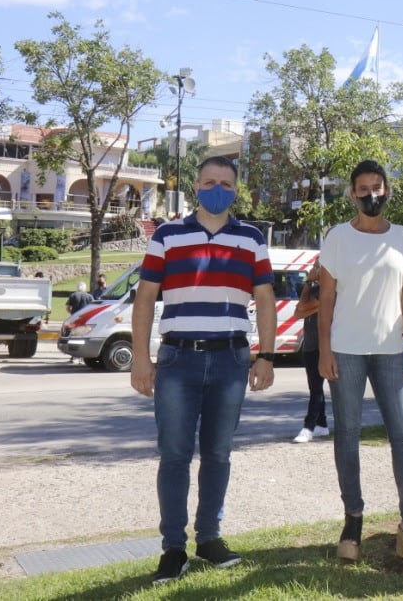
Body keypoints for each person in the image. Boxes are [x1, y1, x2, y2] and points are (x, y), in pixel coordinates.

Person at [130, 156, 278, 584]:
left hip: (232, 359)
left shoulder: (251, 238)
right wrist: (141, 358)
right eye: (210, 182)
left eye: (226, 183)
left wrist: (265, 356)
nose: (218, 188)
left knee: (218, 454)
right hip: (178, 359)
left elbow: (265, 300)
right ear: (196, 186)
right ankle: (173, 549)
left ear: (236, 189)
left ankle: (209, 538)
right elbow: (145, 298)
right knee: (174, 456)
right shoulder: (167, 235)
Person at [318, 159, 403, 570]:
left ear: (386, 191)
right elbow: (326, 297)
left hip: (390, 351)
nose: (371, 195)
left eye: (377, 187)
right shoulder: (337, 237)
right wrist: (324, 350)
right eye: (363, 188)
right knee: (346, 437)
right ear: (352, 194)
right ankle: (353, 521)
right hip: (345, 351)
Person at [292, 262, 330, 443]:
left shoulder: (332, 291)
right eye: (315, 267)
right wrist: (308, 282)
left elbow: (302, 309)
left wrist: (305, 308)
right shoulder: (314, 289)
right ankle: (322, 424)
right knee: (315, 387)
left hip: (324, 346)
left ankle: (308, 427)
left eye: (318, 267)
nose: (315, 270)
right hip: (309, 345)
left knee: (316, 389)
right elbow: (298, 311)